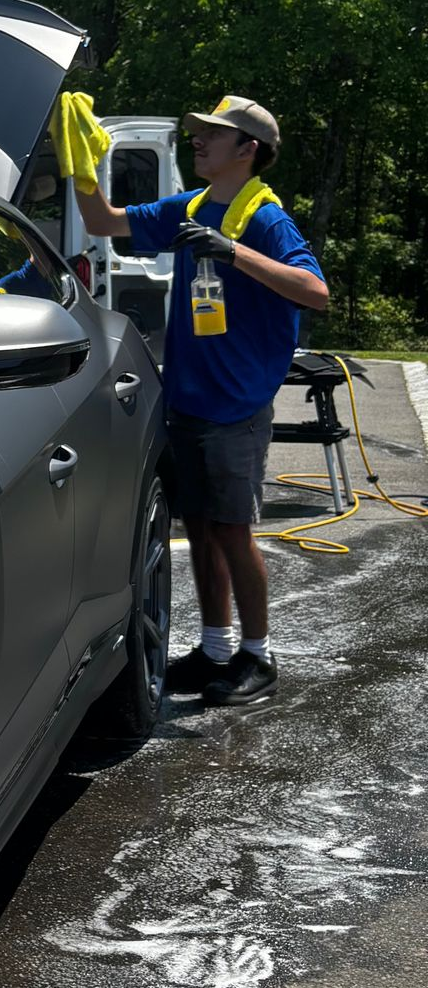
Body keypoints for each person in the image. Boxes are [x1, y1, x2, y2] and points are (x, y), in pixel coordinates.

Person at [71, 95, 328, 707]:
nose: (199, 140)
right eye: (199, 132)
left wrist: (231, 251)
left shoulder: (264, 220)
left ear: (248, 151)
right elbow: (105, 222)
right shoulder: (190, 206)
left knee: (234, 534)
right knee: (206, 532)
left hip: (234, 406)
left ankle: (258, 657)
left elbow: (315, 292)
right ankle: (216, 649)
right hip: (190, 398)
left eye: (215, 134)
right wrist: (83, 168)